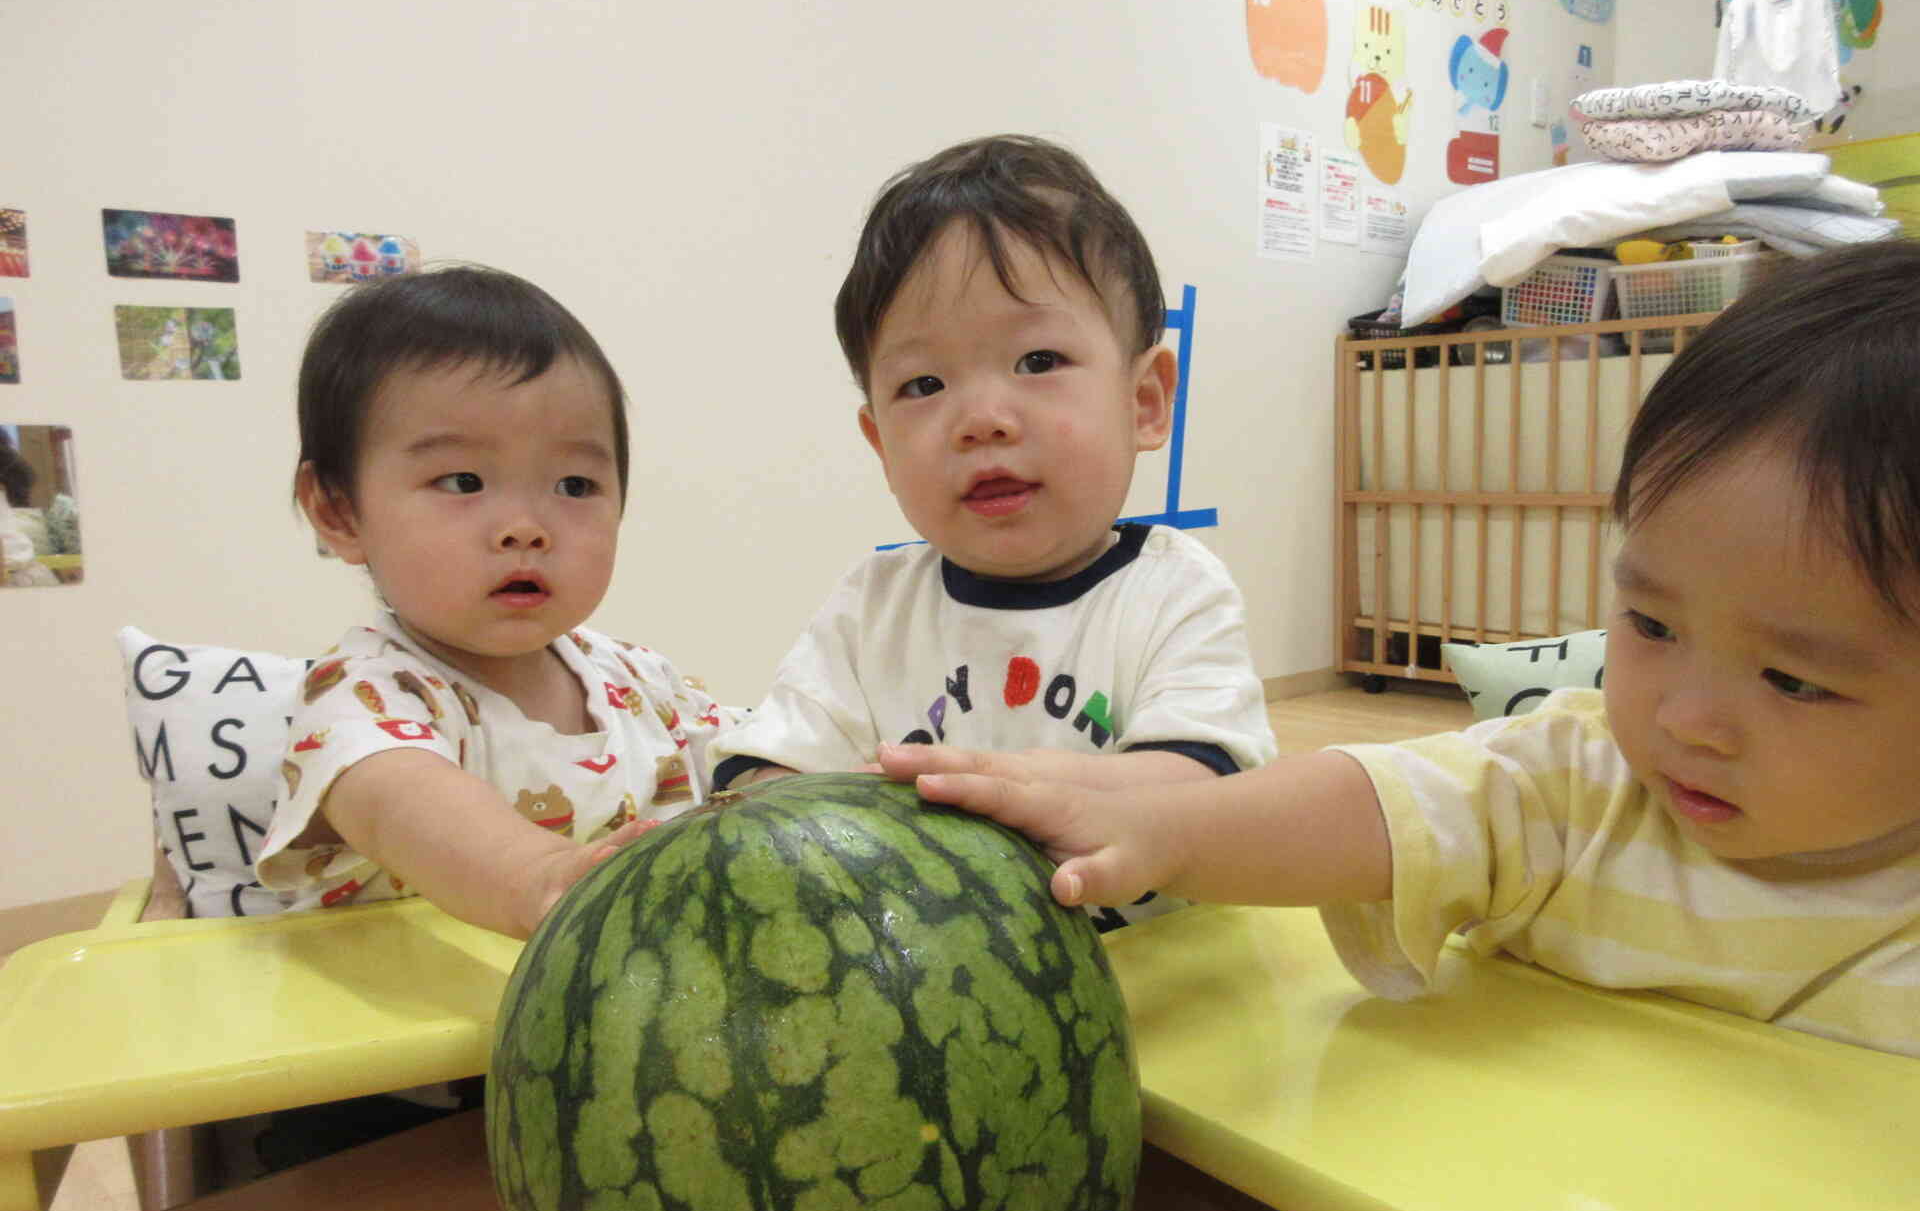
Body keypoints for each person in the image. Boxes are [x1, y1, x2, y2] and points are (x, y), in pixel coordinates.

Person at [881, 238, 1920, 1211]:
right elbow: (1382, 804)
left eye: (1792, 680)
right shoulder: (1582, 781)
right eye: (1647, 626)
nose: (1686, 718)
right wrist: (1174, 831)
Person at [709, 134, 1274, 926]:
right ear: (880, 443)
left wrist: (1006, 793)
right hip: (922, 985)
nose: (981, 420)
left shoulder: (1175, 592)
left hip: (1148, 980)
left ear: (1144, 401)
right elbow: (762, 771)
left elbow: (1205, 786)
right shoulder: (871, 605)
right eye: (925, 383)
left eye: (1038, 360)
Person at [254, 265, 730, 939]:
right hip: (409, 1027)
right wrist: (541, 880)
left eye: (574, 484)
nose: (525, 527)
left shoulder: (642, 684)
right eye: (464, 480)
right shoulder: (364, 694)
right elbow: (398, 799)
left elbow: (761, 765)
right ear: (338, 512)